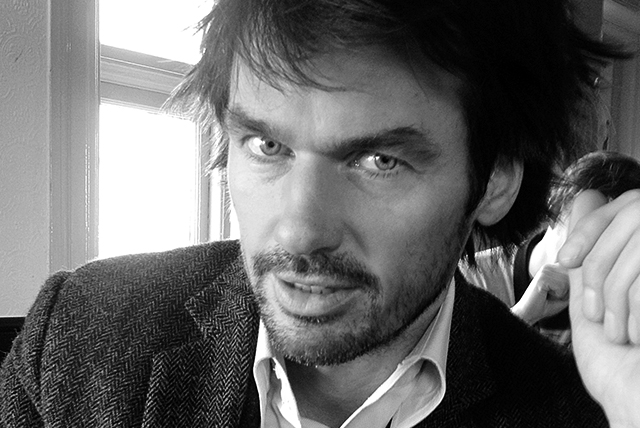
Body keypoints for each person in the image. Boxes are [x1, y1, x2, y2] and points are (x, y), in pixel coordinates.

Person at [2, 1, 640, 427]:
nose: (299, 231)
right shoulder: (81, 337)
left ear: (495, 178)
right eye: (267, 145)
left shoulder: (583, 410)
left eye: (379, 161)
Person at [461, 150, 640, 346]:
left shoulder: (618, 307)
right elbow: (445, 362)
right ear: (555, 207)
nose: (600, 248)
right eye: (589, 224)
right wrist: (522, 316)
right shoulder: (469, 280)